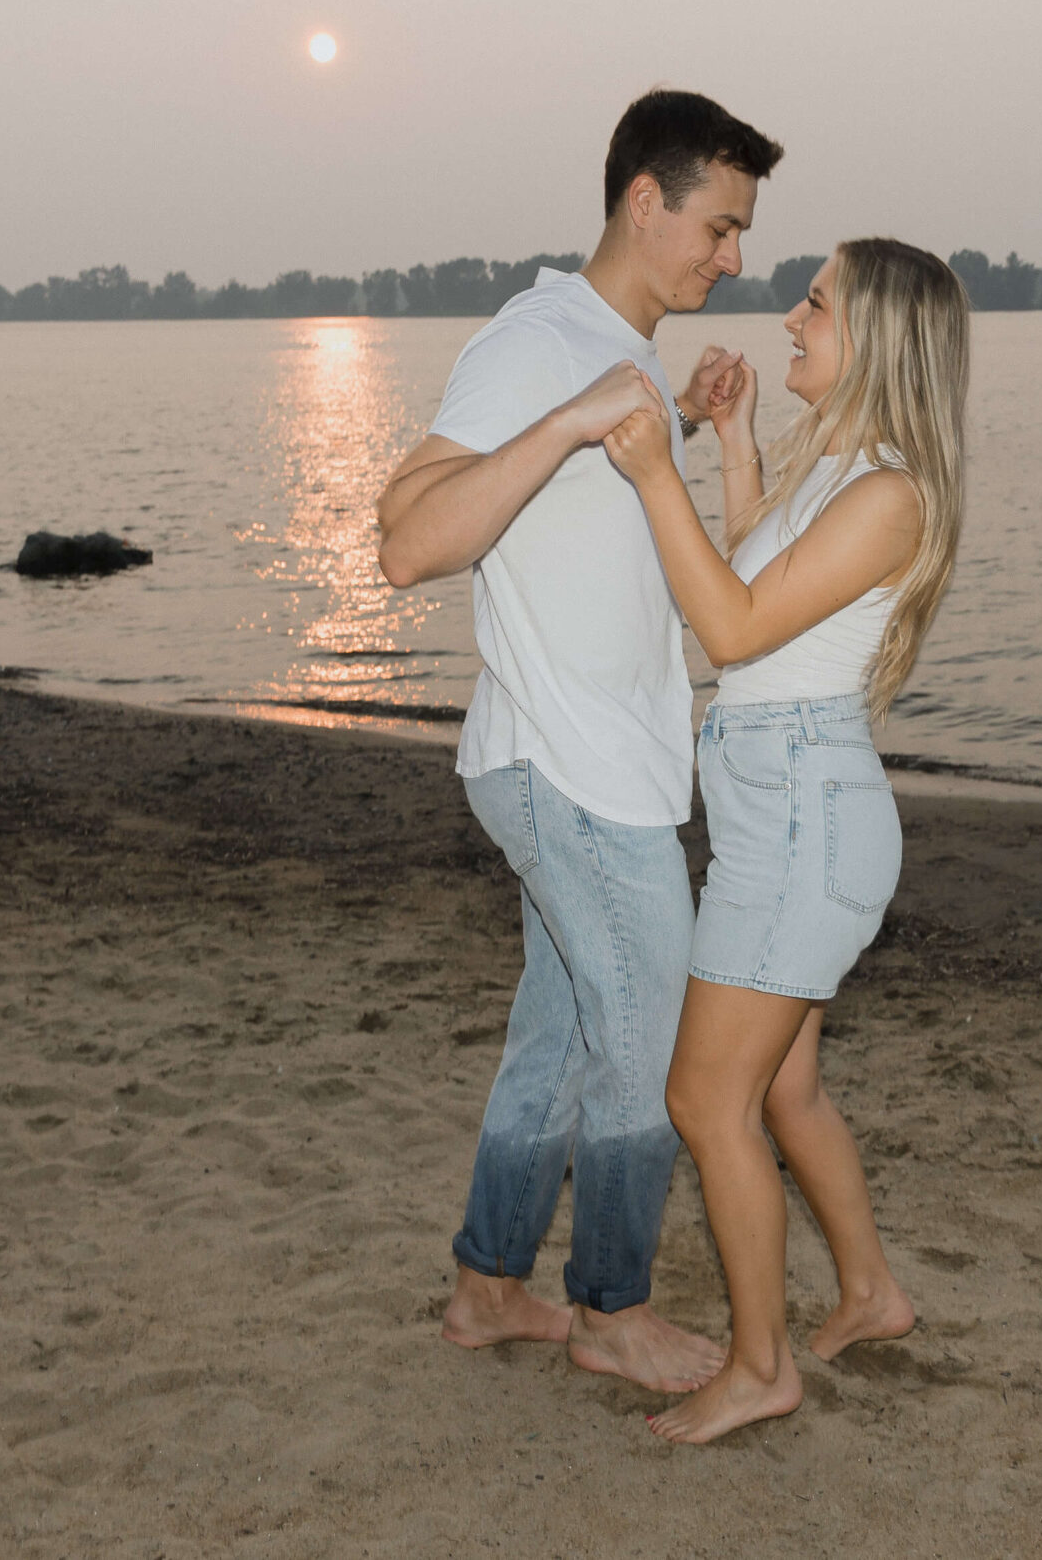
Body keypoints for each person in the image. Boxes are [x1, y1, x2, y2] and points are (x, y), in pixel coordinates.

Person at [373, 89, 783, 1393]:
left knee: (560, 1036)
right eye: (718, 226)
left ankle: (491, 1286)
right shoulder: (541, 340)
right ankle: (610, 1306)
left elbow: (641, 568)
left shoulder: (627, 349)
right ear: (643, 200)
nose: (735, 257)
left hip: (607, 760)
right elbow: (403, 537)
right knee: (647, 1037)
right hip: (566, 766)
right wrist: (564, 421)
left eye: (744, 233)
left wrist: (696, 428)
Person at [600, 238, 970, 1442]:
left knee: (708, 1103)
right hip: (782, 805)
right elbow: (758, 562)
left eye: (817, 302)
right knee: (787, 1088)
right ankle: (869, 1293)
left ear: (876, 337)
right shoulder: (840, 471)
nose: (791, 316)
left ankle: (760, 1368)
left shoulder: (889, 494)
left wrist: (652, 470)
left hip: (804, 822)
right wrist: (729, 443)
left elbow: (735, 625)